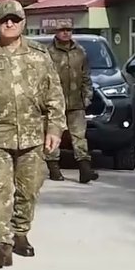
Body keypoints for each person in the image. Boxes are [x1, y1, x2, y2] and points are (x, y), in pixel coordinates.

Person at [0, 0, 65, 269]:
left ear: (23, 22)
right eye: (4, 20)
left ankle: (20, 232)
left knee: (29, 189)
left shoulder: (40, 55)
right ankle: (1, 244)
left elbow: (54, 94)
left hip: (32, 135)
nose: (9, 24)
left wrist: (54, 128)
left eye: (15, 20)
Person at [44, 25, 99, 184]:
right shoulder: (49, 53)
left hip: (76, 103)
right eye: (62, 30)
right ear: (56, 32)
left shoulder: (80, 51)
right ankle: (54, 169)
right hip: (54, 103)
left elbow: (86, 76)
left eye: (69, 29)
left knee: (79, 137)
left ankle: (84, 170)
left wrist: (87, 97)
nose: (66, 33)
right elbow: (43, 78)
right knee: (54, 136)